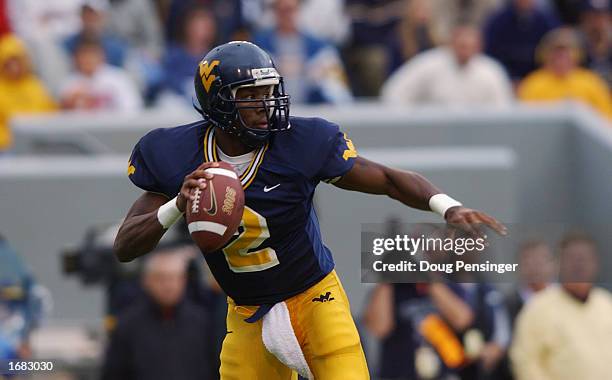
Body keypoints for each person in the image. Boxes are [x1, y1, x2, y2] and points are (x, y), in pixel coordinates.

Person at [113, 41, 507, 379]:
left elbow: (386, 178)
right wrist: (176, 206)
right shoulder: (173, 155)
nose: (266, 103)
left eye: (269, 91)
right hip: (246, 311)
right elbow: (125, 246)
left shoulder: (302, 142)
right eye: (251, 94)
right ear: (219, 101)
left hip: (314, 297)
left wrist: (447, 207)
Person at [510, 231, 612, 380]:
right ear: (558, 264)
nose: (579, 265)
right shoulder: (538, 307)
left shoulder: (606, 303)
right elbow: (525, 362)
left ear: (595, 263)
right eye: (572, 259)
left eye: (584, 259)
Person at [101, 249, 216, 380]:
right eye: (161, 278)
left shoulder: (202, 322)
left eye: (173, 278)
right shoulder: (127, 325)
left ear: (184, 280)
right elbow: (113, 373)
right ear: (146, 281)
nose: (168, 286)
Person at [381, 23, 513, 107]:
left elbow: (503, 108)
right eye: (462, 46)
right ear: (452, 43)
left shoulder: (491, 72)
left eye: (470, 46)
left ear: (478, 47)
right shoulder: (428, 64)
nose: (465, 51)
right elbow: (394, 92)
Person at [253, 0, 352, 104]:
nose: (287, 15)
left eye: (291, 10)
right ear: (275, 13)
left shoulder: (320, 47)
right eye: (282, 11)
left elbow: (336, 82)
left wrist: (309, 71)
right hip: (273, 107)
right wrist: (277, 69)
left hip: (311, 106)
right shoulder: (260, 46)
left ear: (299, 11)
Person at [518, 27, 612, 119]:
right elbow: (525, 118)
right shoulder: (533, 84)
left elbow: (606, 116)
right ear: (545, 55)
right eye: (556, 54)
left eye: (565, 54)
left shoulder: (591, 82)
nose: (561, 59)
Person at [0, 34, 56, 152]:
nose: (13, 67)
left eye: (17, 61)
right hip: (6, 146)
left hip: (38, 144)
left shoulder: (35, 85)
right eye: (9, 62)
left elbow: (50, 112)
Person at [60, 37, 142, 111]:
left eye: (92, 55)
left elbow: (132, 109)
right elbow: (63, 115)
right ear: (76, 58)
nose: (88, 59)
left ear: (102, 56)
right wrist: (70, 101)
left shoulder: (118, 78)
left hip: (115, 126)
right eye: (84, 55)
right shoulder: (69, 82)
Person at [484, 0, 559, 81]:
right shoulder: (498, 22)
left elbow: (555, 48)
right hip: (504, 78)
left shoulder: (547, 21)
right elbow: (490, 53)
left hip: (539, 79)